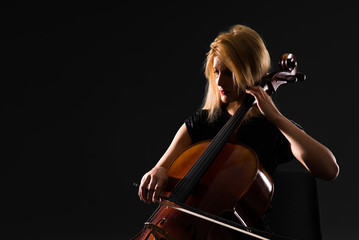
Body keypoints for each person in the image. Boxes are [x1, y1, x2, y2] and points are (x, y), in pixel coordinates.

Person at [137, 24, 339, 234]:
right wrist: (157, 172)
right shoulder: (201, 122)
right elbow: (161, 167)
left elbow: (329, 169)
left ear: (249, 73)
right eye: (215, 72)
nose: (219, 81)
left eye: (228, 73)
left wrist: (276, 118)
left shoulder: (270, 128)